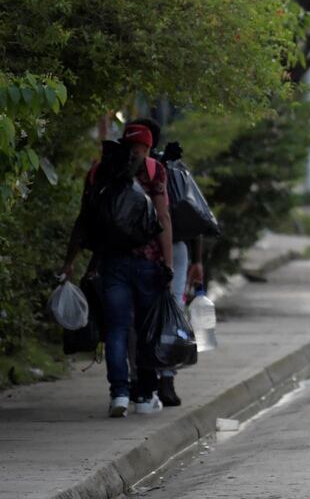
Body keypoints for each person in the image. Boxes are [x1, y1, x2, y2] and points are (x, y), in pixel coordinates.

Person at [62, 120, 174, 418]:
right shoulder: (153, 170)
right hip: (148, 263)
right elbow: (162, 218)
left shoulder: (100, 170)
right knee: (145, 329)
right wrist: (169, 262)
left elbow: (84, 219)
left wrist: (69, 261)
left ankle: (119, 395)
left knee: (116, 328)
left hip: (111, 263)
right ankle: (145, 395)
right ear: (148, 147)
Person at [130, 119, 205, 407]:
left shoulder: (156, 169)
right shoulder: (170, 168)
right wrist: (197, 260)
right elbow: (194, 214)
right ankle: (164, 380)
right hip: (174, 250)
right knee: (170, 312)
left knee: (140, 319)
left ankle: (146, 380)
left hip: (144, 252)